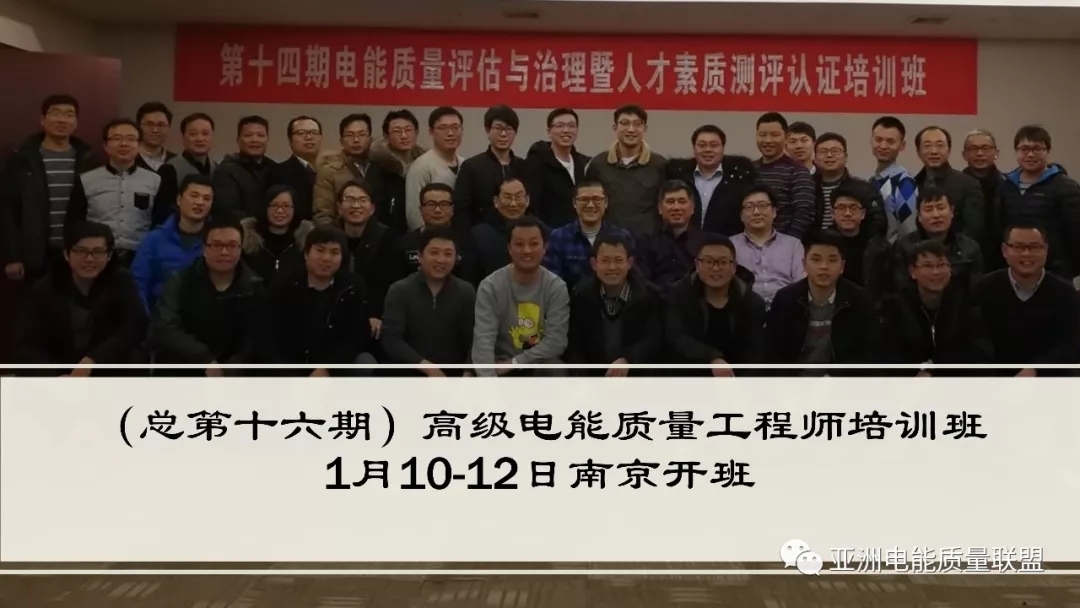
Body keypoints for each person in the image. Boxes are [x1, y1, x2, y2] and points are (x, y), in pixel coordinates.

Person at [13, 221, 147, 375]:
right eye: (81, 251)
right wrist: (56, 377)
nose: (89, 259)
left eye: (98, 252)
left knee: (135, 358)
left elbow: (133, 327)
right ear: (66, 254)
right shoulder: (46, 287)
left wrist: (94, 359)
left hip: (103, 365)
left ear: (109, 255)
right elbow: (27, 342)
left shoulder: (121, 280)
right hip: (59, 368)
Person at [148, 217, 263, 375]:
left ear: (240, 248)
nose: (224, 252)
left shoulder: (254, 286)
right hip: (185, 369)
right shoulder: (180, 281)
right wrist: (205, 360)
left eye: (231, 245)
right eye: (216, 245)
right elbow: (165, 328)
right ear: (204, 248)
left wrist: (228, 370)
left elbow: (256, 339)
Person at [2, 94, 97, 284]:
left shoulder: (88, 158)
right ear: (43, 120)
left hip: (76, 251)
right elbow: (7, 209)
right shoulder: (22, 158)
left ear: (76, 122)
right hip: (34, 254)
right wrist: (12, 256)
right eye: (55, 113)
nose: (62, 120)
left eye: (69, 115)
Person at [260, 224, 378, 377]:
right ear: (306, 253)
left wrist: (327, 369)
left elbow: (356, 337)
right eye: (320, 250)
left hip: (333, 369)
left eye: (334, 252)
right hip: (290, 368)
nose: (326, 258)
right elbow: (267, 336)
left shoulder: (353, 288)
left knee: (365, 361)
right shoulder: (283, 286)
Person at [766, 230, 880, 375]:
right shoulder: (785, 299)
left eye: (832, 260)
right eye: (816, 259)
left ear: (842, 267)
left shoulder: (860, 300)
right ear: (804, 264)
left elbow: (869, 355)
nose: (824, 266)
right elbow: (773, 355)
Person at [973, 223, 1080, 376]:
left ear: (1046, 249)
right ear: (1004, 250)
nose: (1026, 253)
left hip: (1049, 378)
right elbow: (977, 340)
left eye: (1034, 247)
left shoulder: (1065, 292)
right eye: (1018, 247)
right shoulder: (984, 288)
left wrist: (1036, 369)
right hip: (994, 378)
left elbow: (1070, 346)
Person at [472, 216, 570, 376]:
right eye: (519, 244)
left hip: (539, 363)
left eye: (534, 244)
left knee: (556, 368)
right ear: (509, 248)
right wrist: (488, 381)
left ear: (545, 247)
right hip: (500, 363)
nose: (527, 250)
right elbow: (483, 340)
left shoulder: (556, 287)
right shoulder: (490, 286)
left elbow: (556, 342)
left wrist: (516, 362)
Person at [65, 118, 170, 265]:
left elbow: (161, 223)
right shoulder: (86, 180)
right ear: (105, 145)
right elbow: (74, 222)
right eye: (117, 138)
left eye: (131, 139)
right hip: (97, 256)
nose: (124, 144)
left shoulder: (155, 181)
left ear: (139, 145)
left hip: (141, 256)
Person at [881, 240, 992, 376]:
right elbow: (891, 355)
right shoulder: (895, 306)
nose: (936, 272)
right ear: (912, 271)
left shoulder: (965, 302)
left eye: (941, 265)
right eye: (927, 265)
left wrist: (934, 371)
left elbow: (977, 351)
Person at [664, 233, 767, 376]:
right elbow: (676, 338)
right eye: (708, 261)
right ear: (697, 265)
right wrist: (712, 357)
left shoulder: (751, 302)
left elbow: (754, 352)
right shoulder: (678, 294)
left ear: (734, 267)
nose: (716, 268)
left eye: (723, 262)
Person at [381, 227, 476, 376]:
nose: (441, 260)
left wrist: (468, 372)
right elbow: (391, 339)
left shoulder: (466, 292)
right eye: (434, 252)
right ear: (420, 256)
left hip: (453, 377)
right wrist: (426, 367)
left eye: (448, 254)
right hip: (408, 374)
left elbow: (475, 340)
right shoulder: (399, 290)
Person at [568, 231, 662, 376]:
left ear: (629, 263)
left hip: (636, 374)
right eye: (605, 261)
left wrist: (628, 359)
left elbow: (653, 340)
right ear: (594, 264)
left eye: (618, 260)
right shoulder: (581, 295)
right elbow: (576, 346)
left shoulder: (648, 296)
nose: (612, 267)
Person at [131, 174, 213, 311]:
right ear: (179, 200)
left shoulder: (218, 241)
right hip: (159, 316)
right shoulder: (154, 240)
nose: (200, 202)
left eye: (206, 198)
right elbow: (139, 285)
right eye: (194, 196)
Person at [585, 104, 667, 236]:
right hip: (608, 240)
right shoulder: (598, 164)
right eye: (625, 123)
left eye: (637, 124)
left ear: (645, 129)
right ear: (615, 127)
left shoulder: (659, 164)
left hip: (649, 240)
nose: (631, 129)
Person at [664, 124, 757, 236]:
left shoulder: (740, 178)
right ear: (694, 148)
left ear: (723, 148)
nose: (708, 150)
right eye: (702, 145)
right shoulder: (678, 175)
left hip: (726, 243)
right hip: (684, 242)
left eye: (714, 145)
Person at [543, 180, 633, 289]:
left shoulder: (622, 237)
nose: (590, 205)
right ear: (574, 203)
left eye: (597, 199)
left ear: (606, 203)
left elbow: (632, 278)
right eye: (584, 199)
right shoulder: (558, 238)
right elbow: (552, 282)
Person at [454, 105, 528, 226]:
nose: (503, 134)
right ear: (488, 130)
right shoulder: (471, 167)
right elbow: (461, 209)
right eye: (498, 128)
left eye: (509, 129)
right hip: (483, 232)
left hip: (519, 231)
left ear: (515, 132)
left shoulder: (524, 166)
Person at [752, 112, 815, 239]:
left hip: (785, 245)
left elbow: (804, 214)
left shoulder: (797, 171)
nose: (767, 140)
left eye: (774, 135)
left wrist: (784, 244)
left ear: (786, 138)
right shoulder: (749, 169)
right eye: (762, 135)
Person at [525, 108, 589, 228]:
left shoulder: (583, 163)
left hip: (580, 232)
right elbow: (532, 206)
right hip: (550, 233)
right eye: (560, 125)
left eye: (571, 126)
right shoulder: (536, 163)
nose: (566, 130)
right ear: (549, 132)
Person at [405, 107, 466, 230]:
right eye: (443, 128)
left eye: (455, 127)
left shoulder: (465, 164)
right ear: (431, 132)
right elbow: (414, 214)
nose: (450, 133)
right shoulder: (421, 166)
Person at [240, 185, 313, 284]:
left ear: (294, 209)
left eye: (286, 206)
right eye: (274, 206)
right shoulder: (248, 244)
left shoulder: (305, 244)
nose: (280, 211)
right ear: (265, 208)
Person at [213, 115, 273, 218]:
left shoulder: (274, 168)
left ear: (267, 139)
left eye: (260, 135)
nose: (255, 140)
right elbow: (226, 211)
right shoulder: (226, 170)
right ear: (239, 141)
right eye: (248, 135)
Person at [266, 116, 323, 221]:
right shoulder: (277, 172)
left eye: (314, 133)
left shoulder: (331, 170)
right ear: (290, 140)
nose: (309, 137)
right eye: (301, 133)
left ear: (321, 138)